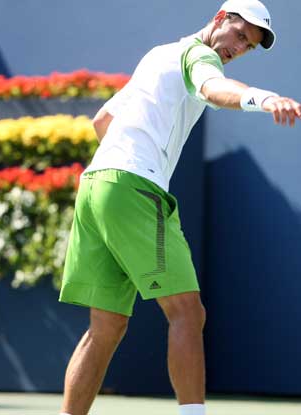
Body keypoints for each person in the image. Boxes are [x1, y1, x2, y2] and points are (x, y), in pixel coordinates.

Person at [58, 1, 301, 414]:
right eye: (240, 36)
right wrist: (264, 98)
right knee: (188, 311)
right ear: (221, 19)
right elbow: (214, 89)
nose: (238, 49)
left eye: (249, 47)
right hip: (134, 187)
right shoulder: (199, 55)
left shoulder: (158, 55)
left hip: (96, 186)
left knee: (106, 327)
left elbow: (102, 120)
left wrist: (124, 158)